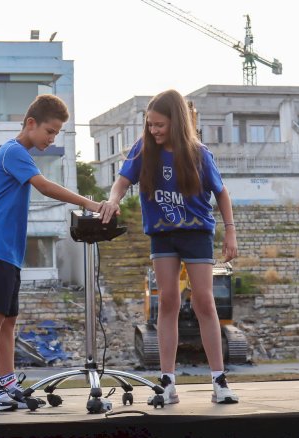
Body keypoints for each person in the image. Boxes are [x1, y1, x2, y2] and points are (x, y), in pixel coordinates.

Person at [99, 89, 240, 405]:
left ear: (176, 122)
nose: (153, 131)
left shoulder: (199, 153)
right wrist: (112, 200)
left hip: (196, 232)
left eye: (159, 125)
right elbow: (121, 182)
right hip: (162, 234)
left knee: (204, 301)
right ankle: (168, 383)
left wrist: (230, 232)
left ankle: (219, 381)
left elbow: (222, 193)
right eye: (149, 125)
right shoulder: (144, 150)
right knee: (167, 302)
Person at [0, 94, 103, 411]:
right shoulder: (13, 151)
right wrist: (88, 202)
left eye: (57, 133)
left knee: (9, 320)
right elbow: (43, 186)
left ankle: (7, 382)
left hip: (8, 253)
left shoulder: (19, 154)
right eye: (50, 131)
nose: (52, 138)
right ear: (31, 123)